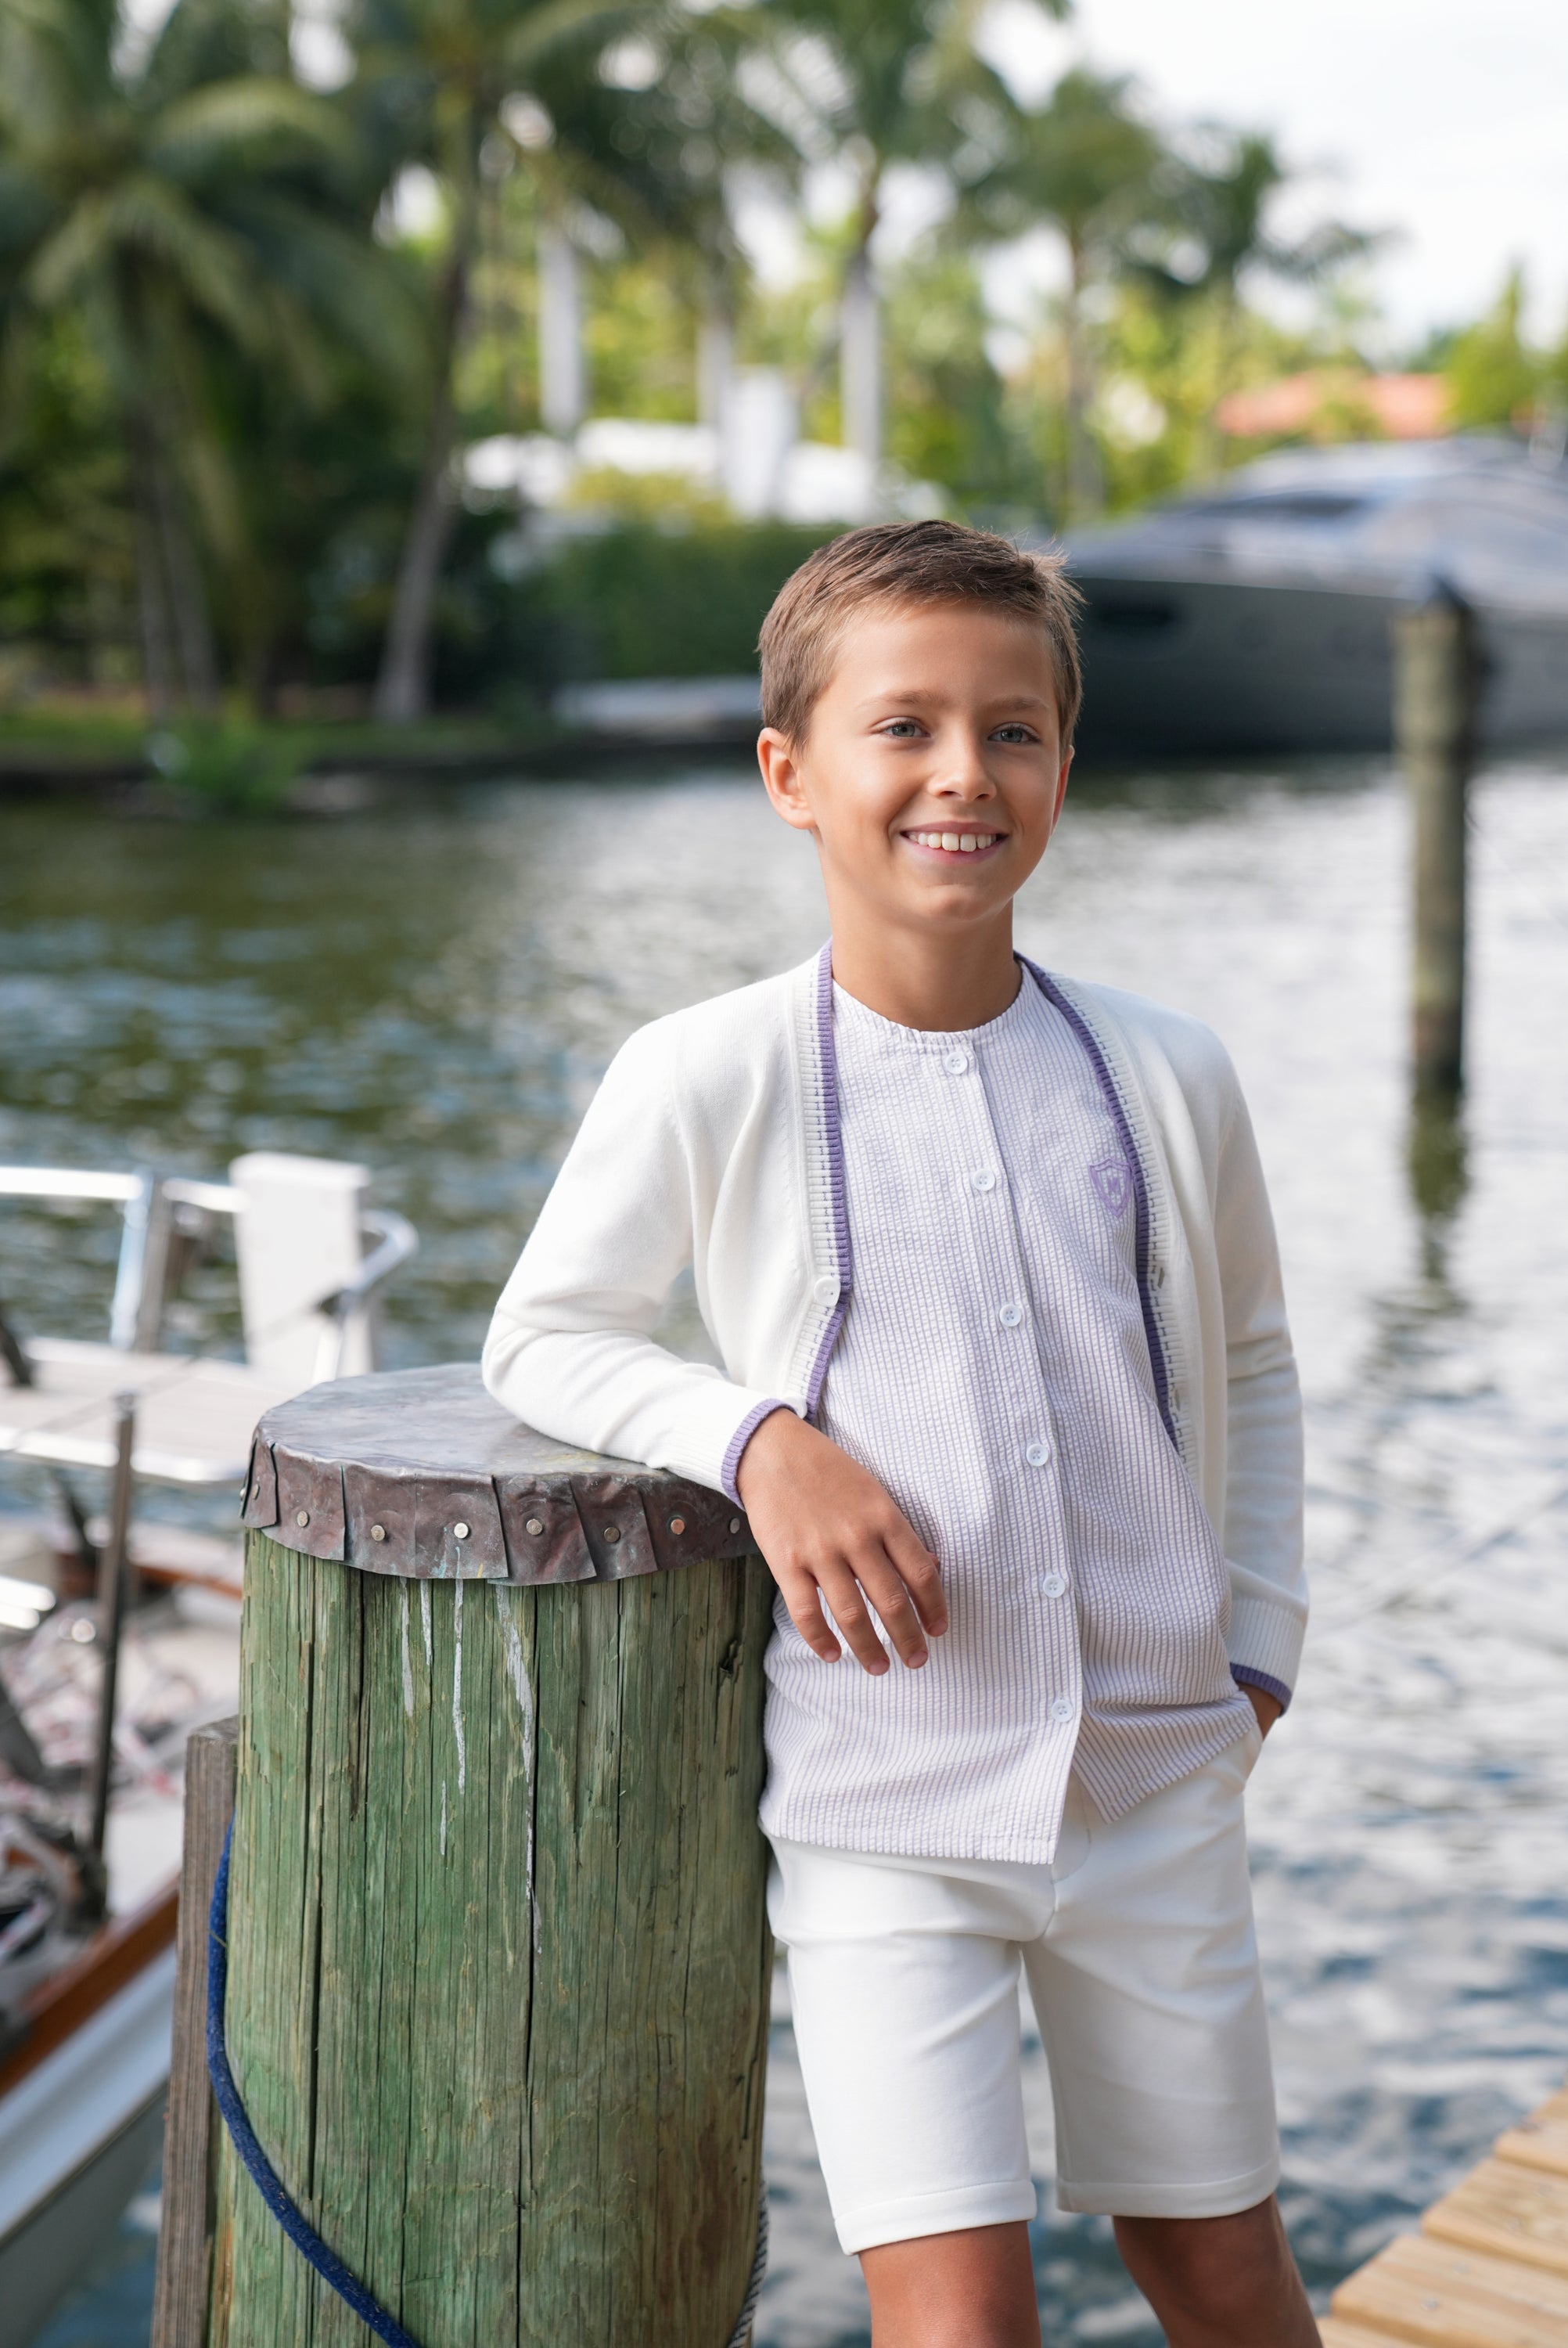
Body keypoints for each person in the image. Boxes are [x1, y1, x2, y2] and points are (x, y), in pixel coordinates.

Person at [483, 520, 1316, 2348]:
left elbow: (1251, 1362)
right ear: (790, 773)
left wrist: (1257, 1647)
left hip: (1155, 1776)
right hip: (886, 1802)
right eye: (905, 727)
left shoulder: (1168, 1070)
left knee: (1224, 2269)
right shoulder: (708, 1071)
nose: (965, 774)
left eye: (1015, 731)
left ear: (1066, 765)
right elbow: (542, 1336)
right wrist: (756, 1440)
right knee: (956, 2324)